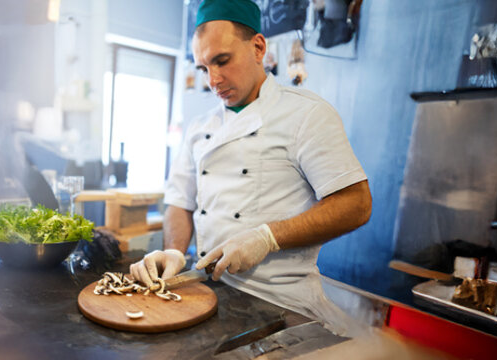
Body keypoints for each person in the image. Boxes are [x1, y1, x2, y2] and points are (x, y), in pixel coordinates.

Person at [129, 0, 372, 336]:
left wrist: (268, 237)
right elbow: (179, 202)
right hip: (208, 294)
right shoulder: (200, 128)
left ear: (258, 47)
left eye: (222, 61)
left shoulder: (307, 115)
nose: (213, 80)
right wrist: (173, 250)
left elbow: (356, 204)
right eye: (203, 68)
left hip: (282, 307)